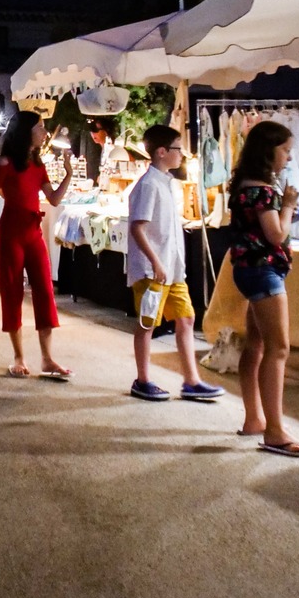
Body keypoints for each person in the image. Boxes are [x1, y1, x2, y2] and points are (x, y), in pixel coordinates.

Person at [0, 110, 71, 380]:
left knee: (45, 291)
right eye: (41, 127)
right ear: (26, 131)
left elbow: (54, 199)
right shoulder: (6, 163)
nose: (45, 133)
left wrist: (67, 174)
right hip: (11, 233)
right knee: (12, 293)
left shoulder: (37, 163)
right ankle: (19, 356)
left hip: (33, 233)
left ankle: (47, 358)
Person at [226, 119, 299, 457]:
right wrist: (288, 204)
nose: (288, 158)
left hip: (249, 270)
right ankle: (275, 431)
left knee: (257, 345)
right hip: (263, 272)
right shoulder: (262, 191)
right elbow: (275, 234)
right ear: (269, 151)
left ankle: (254, 419)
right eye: (285, 151)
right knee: (278, 349)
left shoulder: (244, 186)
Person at [126, 126, 224, 403]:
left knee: (186, 317)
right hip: (152, 269)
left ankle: (191, 381)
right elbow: (138, 228)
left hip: (171, 268)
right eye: (178, 148)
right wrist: (155, 261)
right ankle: (143, 379)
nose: (182, 154)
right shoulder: (148, 185)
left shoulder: (167, 183)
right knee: (148, 323)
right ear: (162, 152)